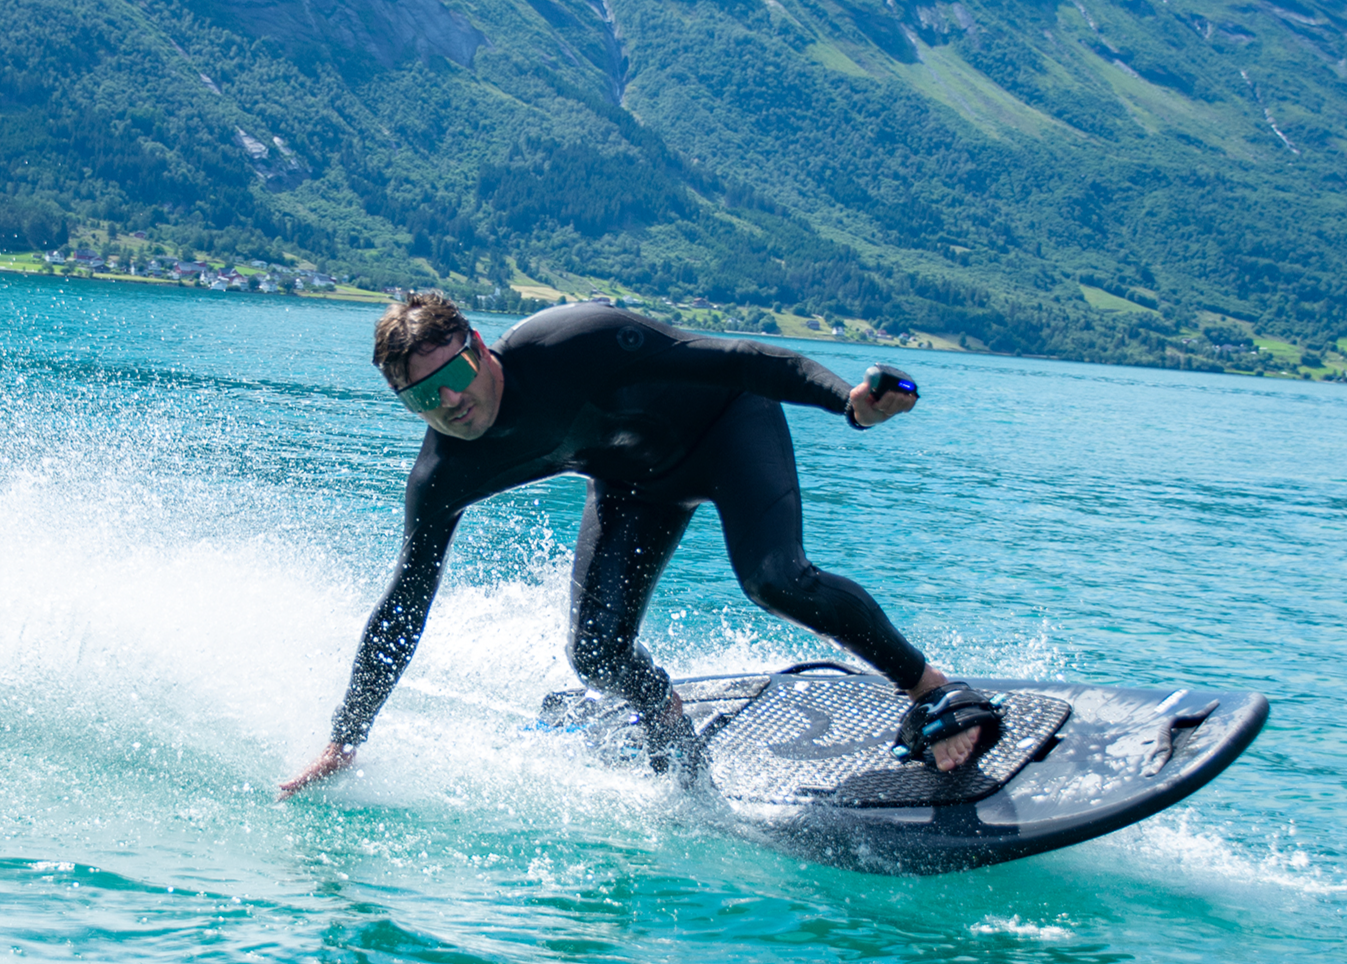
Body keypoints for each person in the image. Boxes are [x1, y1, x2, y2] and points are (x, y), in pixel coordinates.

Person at [279, 293, 1000, 798]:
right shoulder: (443, 473)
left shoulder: (573, 344)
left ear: (480, 348)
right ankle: (663, 712)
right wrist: (347, 737)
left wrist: (846, 400)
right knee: (596, 651)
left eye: (456, 378)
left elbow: (737, 361)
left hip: (727, 428)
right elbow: (405, 603)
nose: (451, 405)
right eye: (422, 400)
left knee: (775, 578)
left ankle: (935, 692)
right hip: (634, 483)